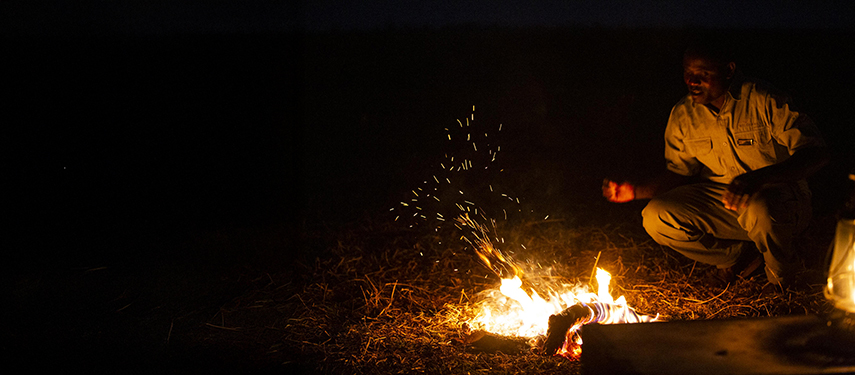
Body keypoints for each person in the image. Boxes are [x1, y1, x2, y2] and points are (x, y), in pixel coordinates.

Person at [603, 40, 830, 292]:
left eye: (703, 73)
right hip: (726, 201)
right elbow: (678, 172)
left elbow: (816, 153)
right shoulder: (684, 114)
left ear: (729, 70)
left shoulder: (763, 99)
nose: (692, 81)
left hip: (781, 198)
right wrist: (635, 191)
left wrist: (758, 179)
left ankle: (784, 280)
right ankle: (734, 257)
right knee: (656, 216)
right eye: (688, 73)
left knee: (760, 207)